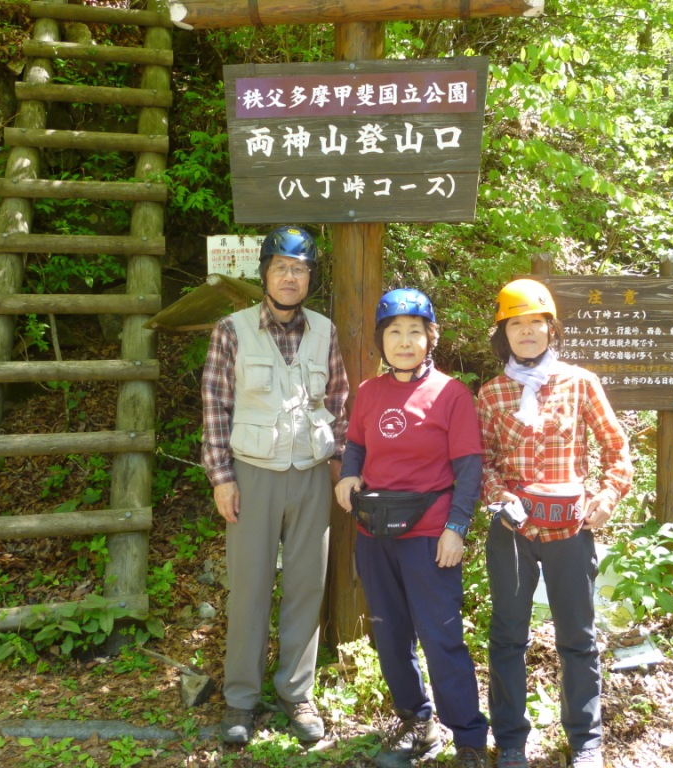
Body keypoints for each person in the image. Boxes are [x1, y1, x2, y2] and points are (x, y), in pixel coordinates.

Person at [201, 225, 349, 745]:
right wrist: (221, 478)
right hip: (252, 476)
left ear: (310, 277)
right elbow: (216, 409)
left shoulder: (325, 332)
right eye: (282, 267)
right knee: (249, 589)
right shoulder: (233, 329)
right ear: (264, 273)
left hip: (311, 476)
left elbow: (341, 403)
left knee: (307, 587)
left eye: (301, 268)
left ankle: (295, 693)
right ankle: (241, 699)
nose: (291, 277)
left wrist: (341, 469)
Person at [477, 279, 633, 768]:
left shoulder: (580, 382)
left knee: (578, 637)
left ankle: (586, 740)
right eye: (516, 323)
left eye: (535, 323)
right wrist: (500, 498)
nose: (527, 332)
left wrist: (607, 496)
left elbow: (616, 447)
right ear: (503, 333)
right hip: (514, 534)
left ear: (551, 328)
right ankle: (511, 742)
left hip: (571, 530)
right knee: (507, 636)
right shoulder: (491, 393)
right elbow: (479, 462)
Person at [334, 288, 490, 768]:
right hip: (375, 535)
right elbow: (356, 444)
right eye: (394, 332)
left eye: (415, 332)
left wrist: (457, 527)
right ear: (382, 340)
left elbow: (469, 468)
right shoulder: (368, 392)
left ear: (431, 338)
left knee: (442, 638)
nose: (405, 342)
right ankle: (416, 723)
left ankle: (468, 737)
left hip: (429, 536)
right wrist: (348, 473)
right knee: (390, 634)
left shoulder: (451, 394)